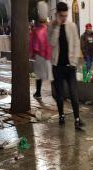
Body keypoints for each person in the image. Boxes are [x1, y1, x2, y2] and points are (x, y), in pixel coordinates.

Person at [48, 1, 84, 130]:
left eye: (65, 15)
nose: (64, 18)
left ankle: (77, 119)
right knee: (60, 94)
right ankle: (61, 115)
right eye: (62, 15)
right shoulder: (51, 26)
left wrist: (73, 62)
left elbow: (76, 43)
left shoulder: (72, 26)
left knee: (74, 94)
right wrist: (57, 26)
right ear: (57, 14)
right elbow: (51, 43)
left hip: (69, 67)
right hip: (57, 66)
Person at [29, 3, 52, 99]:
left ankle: (38, 92)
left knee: (39, 75)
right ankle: (57, 92)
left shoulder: (36, 31)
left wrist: (32, 53)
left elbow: (33, 44)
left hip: (39, 56)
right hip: (49, 56)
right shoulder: (49, 30)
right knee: (50, 74)